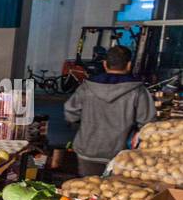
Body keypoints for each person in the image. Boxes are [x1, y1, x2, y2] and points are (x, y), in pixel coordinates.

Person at [63, 44, 155, 177]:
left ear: (105, 64)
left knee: (88, 191)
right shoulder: (138, 91)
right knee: (114, 193)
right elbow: (148, 123)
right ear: (129, 65)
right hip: (121, 156)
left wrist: (81, 124)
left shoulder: (87, 87)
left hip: (88, 151)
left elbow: (70, 112)